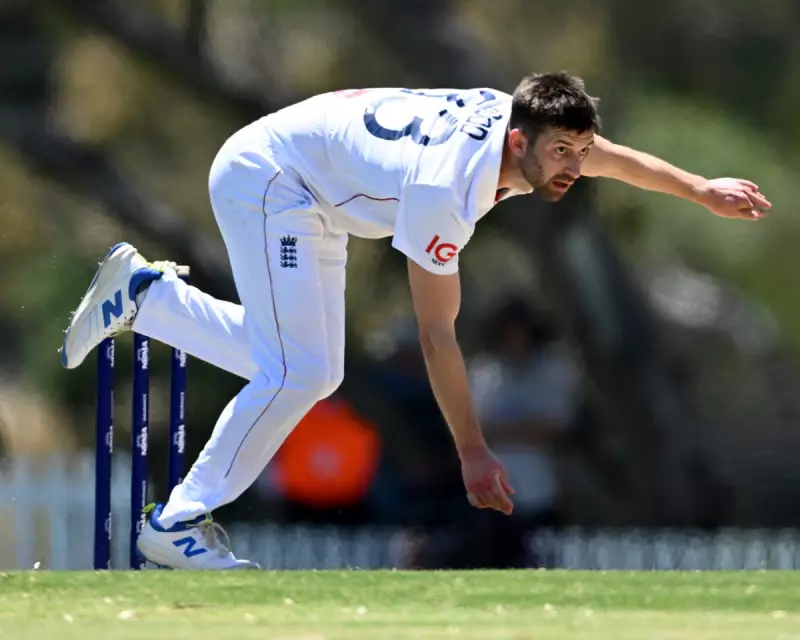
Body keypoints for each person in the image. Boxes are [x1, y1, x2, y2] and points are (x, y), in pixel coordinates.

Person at [59, 72, 771, 570]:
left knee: (310, 367)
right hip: (273, 177)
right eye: (561, 154)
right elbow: (436, 336)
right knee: (301, 370)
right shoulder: (445, 192)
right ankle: (177, 522)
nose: (573, 169)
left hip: (313, 187)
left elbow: (611, 158)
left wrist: (700, 189)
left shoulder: (524, 123)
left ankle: (147, 299)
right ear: (519, 142)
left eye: (577, 153)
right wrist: (472, 451)